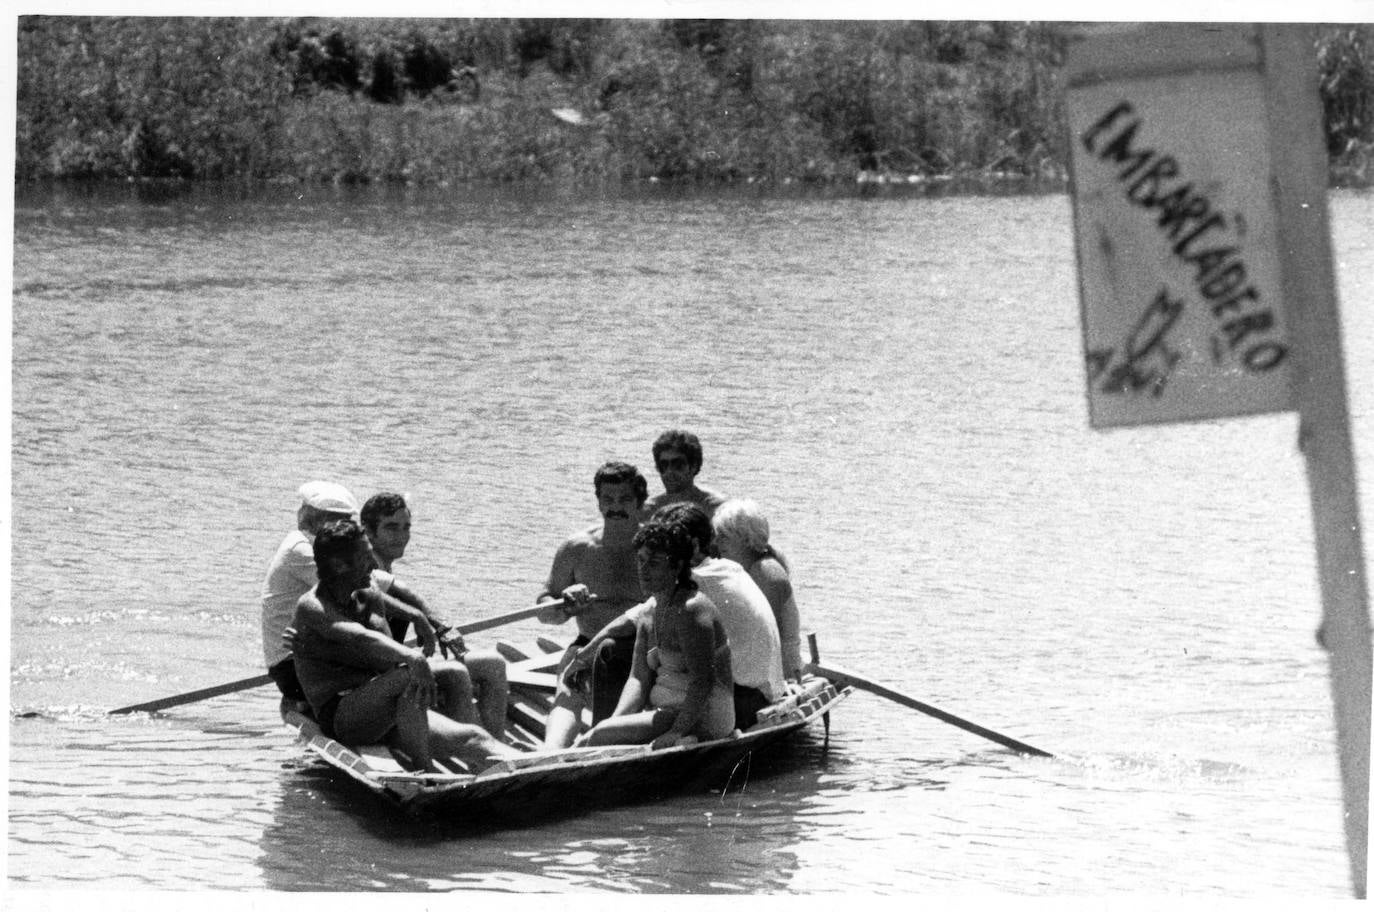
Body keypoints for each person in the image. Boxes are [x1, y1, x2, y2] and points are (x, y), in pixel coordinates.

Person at [289, 518, 519, 773]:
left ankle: (505, 768)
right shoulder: (312, 606)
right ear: (339, 565)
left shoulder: (368, 591)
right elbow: (360, 637)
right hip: (344, 716)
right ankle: (427, 773)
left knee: (473, 736)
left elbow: (385, 635)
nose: (374, 564)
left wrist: (418, 617)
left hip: (388, 708)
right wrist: (413, 657)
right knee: (409, 674)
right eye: (365, 557)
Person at [565, 502, 786, 730]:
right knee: (648, 646)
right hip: (760, 693)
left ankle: (605, 730)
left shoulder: (695, 579)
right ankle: (612, 729)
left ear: (692, 545)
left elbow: (623, 624)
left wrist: (580, 658)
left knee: (612, 651)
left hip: (737, 703)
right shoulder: (729, 568)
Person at [359, 491, 509, 738]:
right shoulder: (367, 566)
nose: (402, 536)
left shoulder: (381, 564)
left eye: (406, 527)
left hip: (394, 667)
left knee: (489, 664)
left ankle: (492, 741)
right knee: (491, 666)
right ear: (368, 531)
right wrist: (441, 627)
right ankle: (492, 745)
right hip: (381, 679)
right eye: (391, 528)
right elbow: (412, 600)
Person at [576, 517, 735, 749]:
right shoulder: (650, 610)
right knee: (596, 735)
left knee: (599, 736)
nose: (644, 570)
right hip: (668, 712)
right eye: (641, 560)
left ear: (678, 566)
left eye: (655, 562)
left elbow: (703, 683)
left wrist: (676, 732)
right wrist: (614, 722)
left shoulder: (691, 610)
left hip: (705, 716)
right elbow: (638, 678)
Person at [536, 461, 650, 747]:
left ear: (639, 502)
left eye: (625, 499)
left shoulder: (656, 547)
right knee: (567, 694)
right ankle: (550, 753)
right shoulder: (576, 548)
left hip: (646, 650)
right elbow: (544, 611)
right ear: (598, 502)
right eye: (608, 500)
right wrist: (564, 605)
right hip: (588, 645)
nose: (615, 507)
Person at [261, 481, 360, 708]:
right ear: (319, 521)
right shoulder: (302, 548)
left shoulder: (315, 545)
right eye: (342, 521)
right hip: (290, 665)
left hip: (301, 658)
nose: (348, 529)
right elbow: (353, 590)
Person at [713, 499, 804, 682]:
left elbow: (762, 637)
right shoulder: (752, 568)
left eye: (724, 536)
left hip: (779, 676)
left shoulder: (766, 574)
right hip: (765, 668)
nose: (717, 542)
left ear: (746, 538)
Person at [642, 429, 726, 518]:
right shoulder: (649, 511)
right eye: (664, 465)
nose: (669, 471)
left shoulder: (715, 509)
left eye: (678, 465)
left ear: (693, 466)